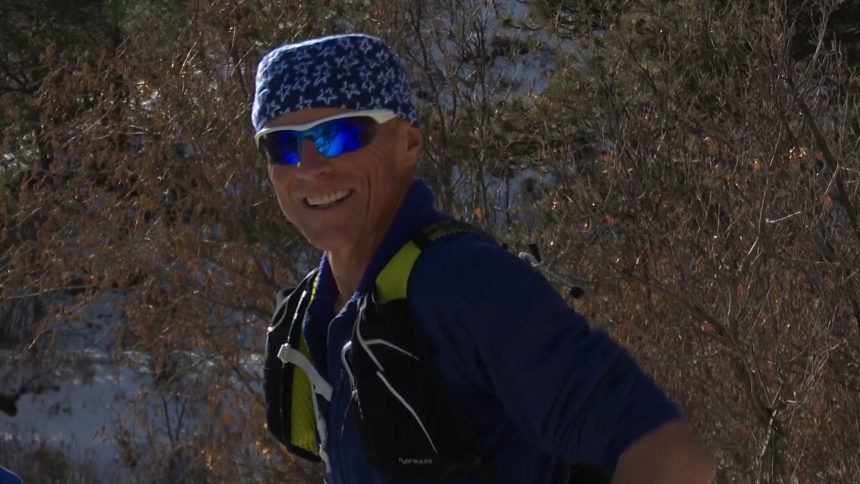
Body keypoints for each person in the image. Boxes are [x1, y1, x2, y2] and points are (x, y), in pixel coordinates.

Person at [252, 33, 715, 483]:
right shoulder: (312, 311)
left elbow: (671, 454)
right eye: (283, 145)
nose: (310, 168)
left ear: (409, 143)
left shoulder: (467, 282)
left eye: (340, 135)